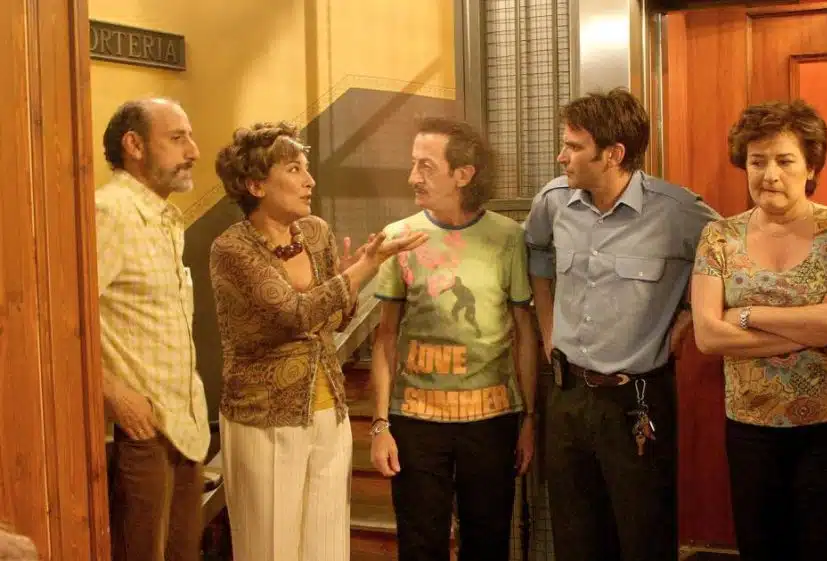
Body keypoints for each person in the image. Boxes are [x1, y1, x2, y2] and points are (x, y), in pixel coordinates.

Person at [209, 121, 426, 561]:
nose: (310, 180)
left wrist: (344, 278)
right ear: (256, 185)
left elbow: (337, 317)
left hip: (329, 411)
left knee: (327, 549)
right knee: (271, 549)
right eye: (294, 169)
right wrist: (364, 267)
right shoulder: (232, 249)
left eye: (306, 167)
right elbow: (296, 314)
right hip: (265, 418)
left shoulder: (314, 232)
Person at [525, 88, 719, 561]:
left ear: (613, 154)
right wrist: (548, 331)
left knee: (643, 536)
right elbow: (537, 255)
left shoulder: (678, 212)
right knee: (575, 536)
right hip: (566, 393)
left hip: (638, 398)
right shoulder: (553, 201)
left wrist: (688, 320)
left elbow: (731, 260)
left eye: (573, 147)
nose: (561, 157)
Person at [690, 99, 827, 561]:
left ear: (811, 167)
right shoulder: (719, 236)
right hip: (751, 430)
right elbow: (708, 336)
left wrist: (746, 314)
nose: (769, 174)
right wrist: (811, 329)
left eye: (784, 161)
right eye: (757, 161)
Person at [369, 117, 538, 561]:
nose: (413, 177)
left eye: (425, 166)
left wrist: (528, 418)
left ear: (463, 174)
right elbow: (385, 337)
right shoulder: (399, 237)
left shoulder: (507, 238)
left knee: (488, 543)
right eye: (413, 164)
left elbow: (524, 332)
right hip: (416, 420)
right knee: (420, 544)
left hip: (492, 419)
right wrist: (381, 425)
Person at [95, 98, 210, 561]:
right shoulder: (110, 212)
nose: (193, 151)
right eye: (178, 138)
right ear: (135, 145)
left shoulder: (163, 216)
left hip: (184, 425)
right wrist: (112, 393)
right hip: (141, 431)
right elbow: (61, 321)